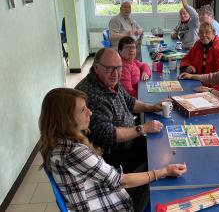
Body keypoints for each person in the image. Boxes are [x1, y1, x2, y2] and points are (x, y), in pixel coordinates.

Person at [39, 88, 187, 212]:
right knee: (162, 174)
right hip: (113, 205)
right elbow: (121, 181)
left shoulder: (57, 142)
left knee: (153, 164)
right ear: (65, 119)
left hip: (104, 192)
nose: (90, 113)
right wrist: (164, 171)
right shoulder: (73, 152)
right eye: (83, 110)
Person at [75, 48, 167, 174]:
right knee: (159, 161)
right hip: (113, 155)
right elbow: (108, 135)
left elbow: (130, 102)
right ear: (96, 68)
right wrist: (142, 129)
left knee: (162, 143)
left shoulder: (109, 81)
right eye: (109, 68)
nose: (115, 74)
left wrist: (151, 107)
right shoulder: (91, 94)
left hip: (129, 140)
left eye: (119, 68)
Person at [179, 22, 219, 90]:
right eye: (201, 33)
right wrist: (188, 67)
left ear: (214, 33)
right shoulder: (198, 44)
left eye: (207, 32)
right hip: (197, 82)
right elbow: (187, 58)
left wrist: (209, 89)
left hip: (214, 89)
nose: (204, 35)